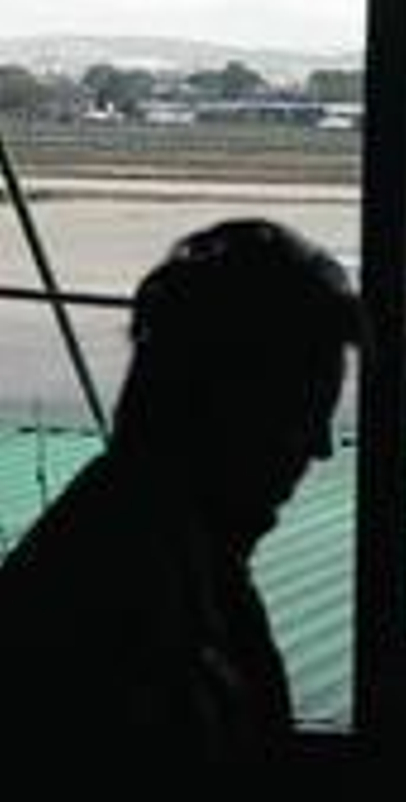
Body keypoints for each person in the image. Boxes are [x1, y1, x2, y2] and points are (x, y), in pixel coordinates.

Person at [0, 218, 362, 763]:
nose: (319, 450)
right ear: (218, 404)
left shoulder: (165, 549)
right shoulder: (129, 612)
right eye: (300, 415)